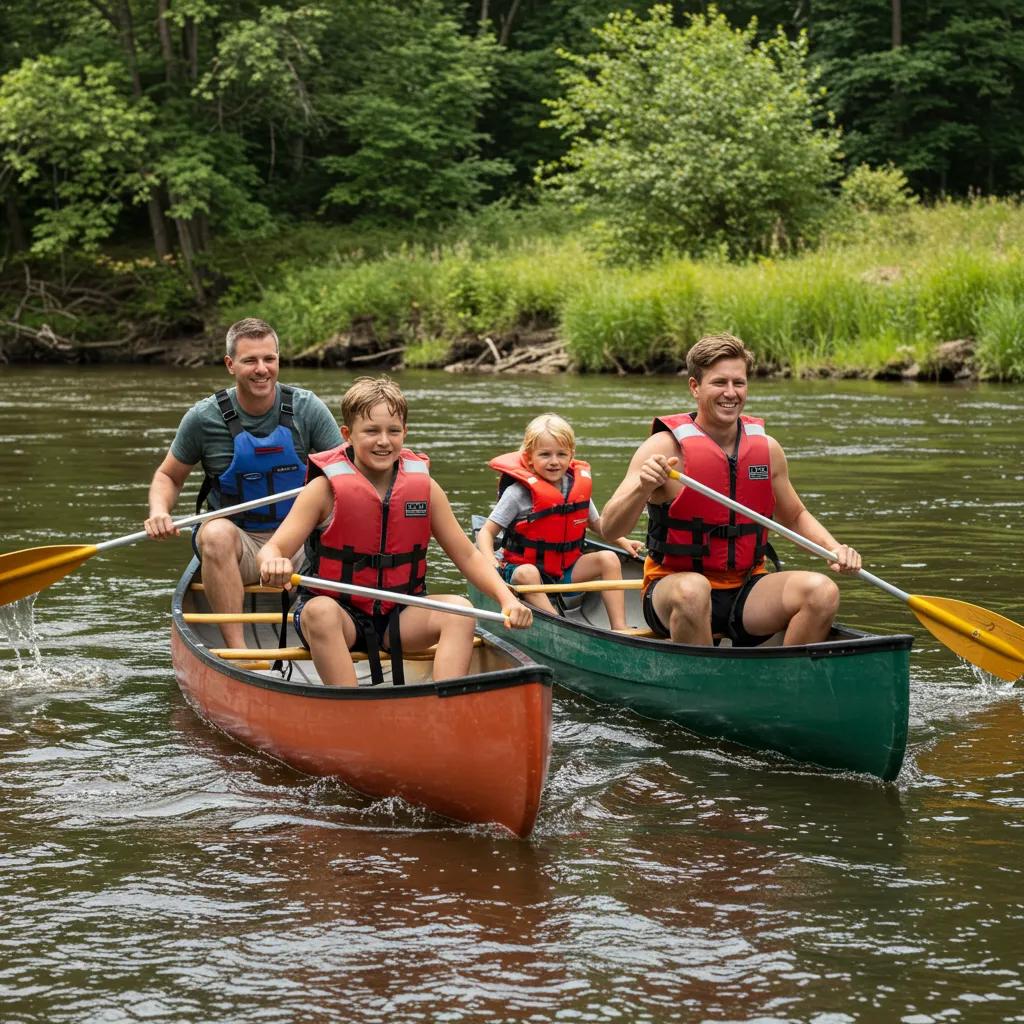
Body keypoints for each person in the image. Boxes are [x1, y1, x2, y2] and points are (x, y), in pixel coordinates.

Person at [258, 376, 533, 687]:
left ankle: (444, 705)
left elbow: (468, 555)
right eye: (371, 431)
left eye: (393, 431)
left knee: (460, 611)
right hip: (338, 617)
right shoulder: (323, 490)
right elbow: (273, 548)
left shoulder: (424, 489)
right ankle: (351, 709)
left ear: (405, 433)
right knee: (320, 611)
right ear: (347, 435)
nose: (383, 441)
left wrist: (506, 599)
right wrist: (273, 562)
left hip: (398, 617)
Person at [600, 333, 862, 647]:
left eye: (739, 383)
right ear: (695, 387)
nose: (730, 393)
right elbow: (610, 527)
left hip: (746, 589)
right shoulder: (663, 447)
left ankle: (780, 685)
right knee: (693, 590)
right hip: (673, 588)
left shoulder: (767, 449)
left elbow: (794, 516)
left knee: (822, 592)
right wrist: (642, 487)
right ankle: (701, 689)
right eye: (719, 383)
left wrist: (834, 550)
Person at [144, 317, 342, 649]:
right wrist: (159, 510)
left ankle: (337, 633)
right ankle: (238, 652)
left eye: (269, 359)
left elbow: (345, 475)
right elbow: (168, 476)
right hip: (243, 547)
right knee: (215, 532)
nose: (261, 369)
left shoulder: (308, 409)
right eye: (250, 360)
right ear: (230, 365)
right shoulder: (203, 418)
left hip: (301, 544)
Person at [477, 414, 643, 631]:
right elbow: (486, 532)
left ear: (571, 455)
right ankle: (559, 625)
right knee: (528, 573)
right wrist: (490, 560)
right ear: (528, 458)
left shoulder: (575, 488)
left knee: (609, 558)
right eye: (545, 454)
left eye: (561, 454)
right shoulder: (518, 493)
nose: (554, 461)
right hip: (524, 570)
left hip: (565, 569)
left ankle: (620, 627)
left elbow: (597, 524)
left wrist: (622, 542)